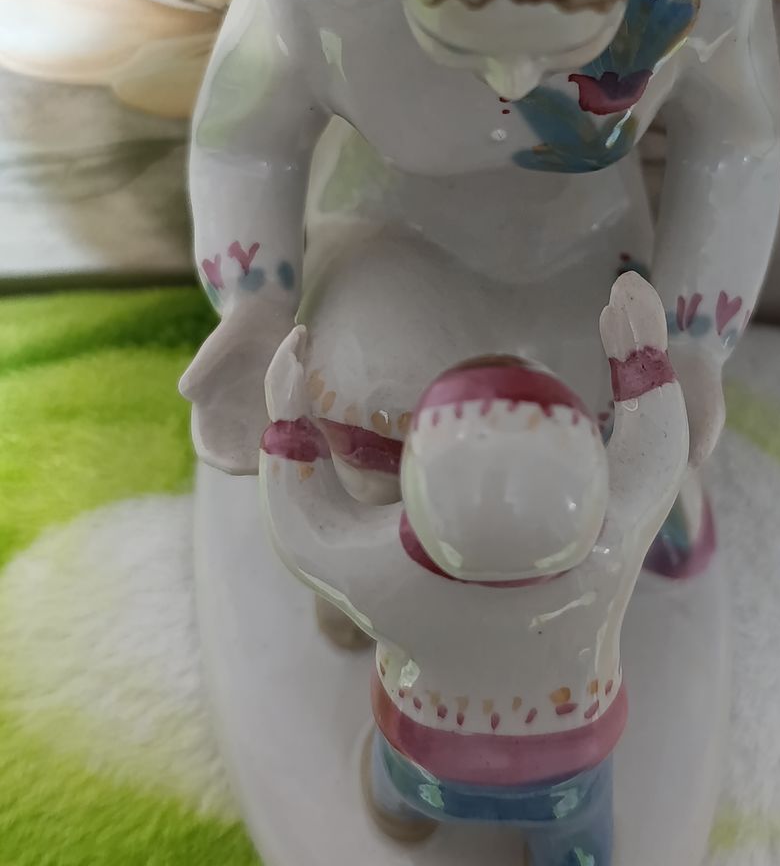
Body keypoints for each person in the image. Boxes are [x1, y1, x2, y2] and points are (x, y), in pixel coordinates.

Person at [181, 0, 780, 572]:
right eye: (459, 42)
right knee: (369, 391)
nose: (512, 75)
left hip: (587, 241)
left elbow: (737, 145)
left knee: (612, 416)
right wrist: (254, 306)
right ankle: (373, 566)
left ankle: (591, 552)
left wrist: (698, 342)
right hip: (391, 226)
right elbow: (244, 143)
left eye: (563, 47)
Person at [259, 271, 689, 864]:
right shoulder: (610, 550)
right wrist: (643, 364)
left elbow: (306, 531)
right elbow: (658, 459)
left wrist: (288, 432)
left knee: (399, 788)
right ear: (587, 471)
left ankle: (399, 814)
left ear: (419, 475)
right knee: (576, 822)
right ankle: (576, 853)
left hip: (425, 759)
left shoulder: (387, 573)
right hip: (567, 768)